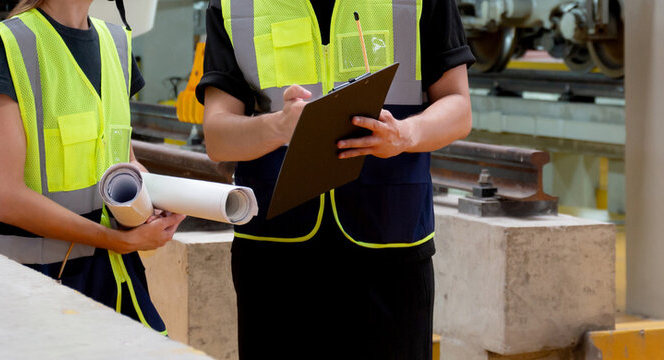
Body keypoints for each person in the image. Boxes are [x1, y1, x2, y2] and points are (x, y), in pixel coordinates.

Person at [196, 0, 474, 358]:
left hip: (390, 247)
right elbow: (218, 138)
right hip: (276, 256)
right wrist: (278, 126)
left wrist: (406, 133)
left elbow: (459, 107)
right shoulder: (234, 4)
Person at [0, 0, 184, 334]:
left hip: (115, 279)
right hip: (36, 291)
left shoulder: (116, 43)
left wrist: (161, 200)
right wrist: (113, 239)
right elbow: (2, 196)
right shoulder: (12, 46)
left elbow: (123, 160)